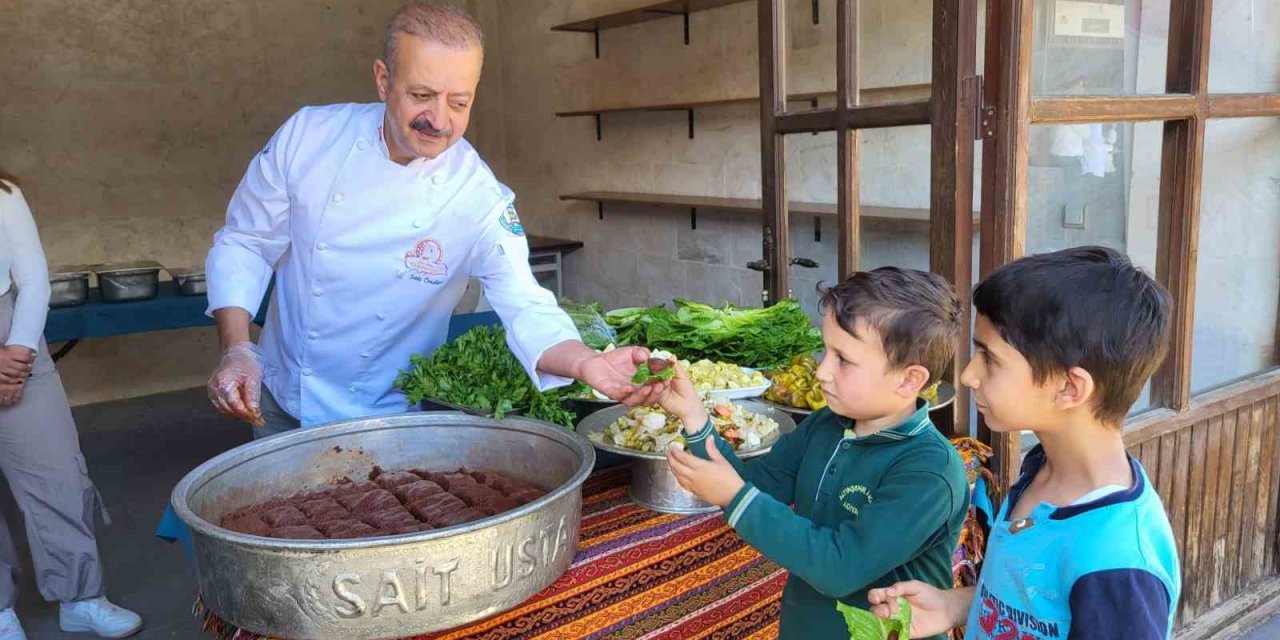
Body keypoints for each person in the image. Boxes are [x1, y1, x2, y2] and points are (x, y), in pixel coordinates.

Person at [205, 2, 659, 436]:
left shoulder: (478, 195)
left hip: (400, 414)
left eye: (459, 103)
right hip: (285, 398)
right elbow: (245, 241)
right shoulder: (307, 138)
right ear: (383, 80)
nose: (438, 120)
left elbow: (525, 302)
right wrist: (239, 349)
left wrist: (584, 362)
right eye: (421, 95)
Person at [868, 246, 1180, 640]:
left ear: (1069, 387)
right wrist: (955, 605)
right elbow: (1039, 604)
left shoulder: (1117, 563)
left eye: (989, 358)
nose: (967, 375)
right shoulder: (1042, 469)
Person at [659, 267, 970, 639]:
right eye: (826, 350)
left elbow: (839, 567)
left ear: (910, 379)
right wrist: (695, 416)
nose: (822, 371)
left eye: (844, 359)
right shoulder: (826, 425)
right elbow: (753, 486)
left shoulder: (929, 472)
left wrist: (733, 495)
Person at [0, 171, 143, 639]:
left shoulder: (4, 192)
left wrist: (19, 352)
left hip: (13, 332)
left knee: (56, 473)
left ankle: (81, 598)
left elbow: (34, 279)